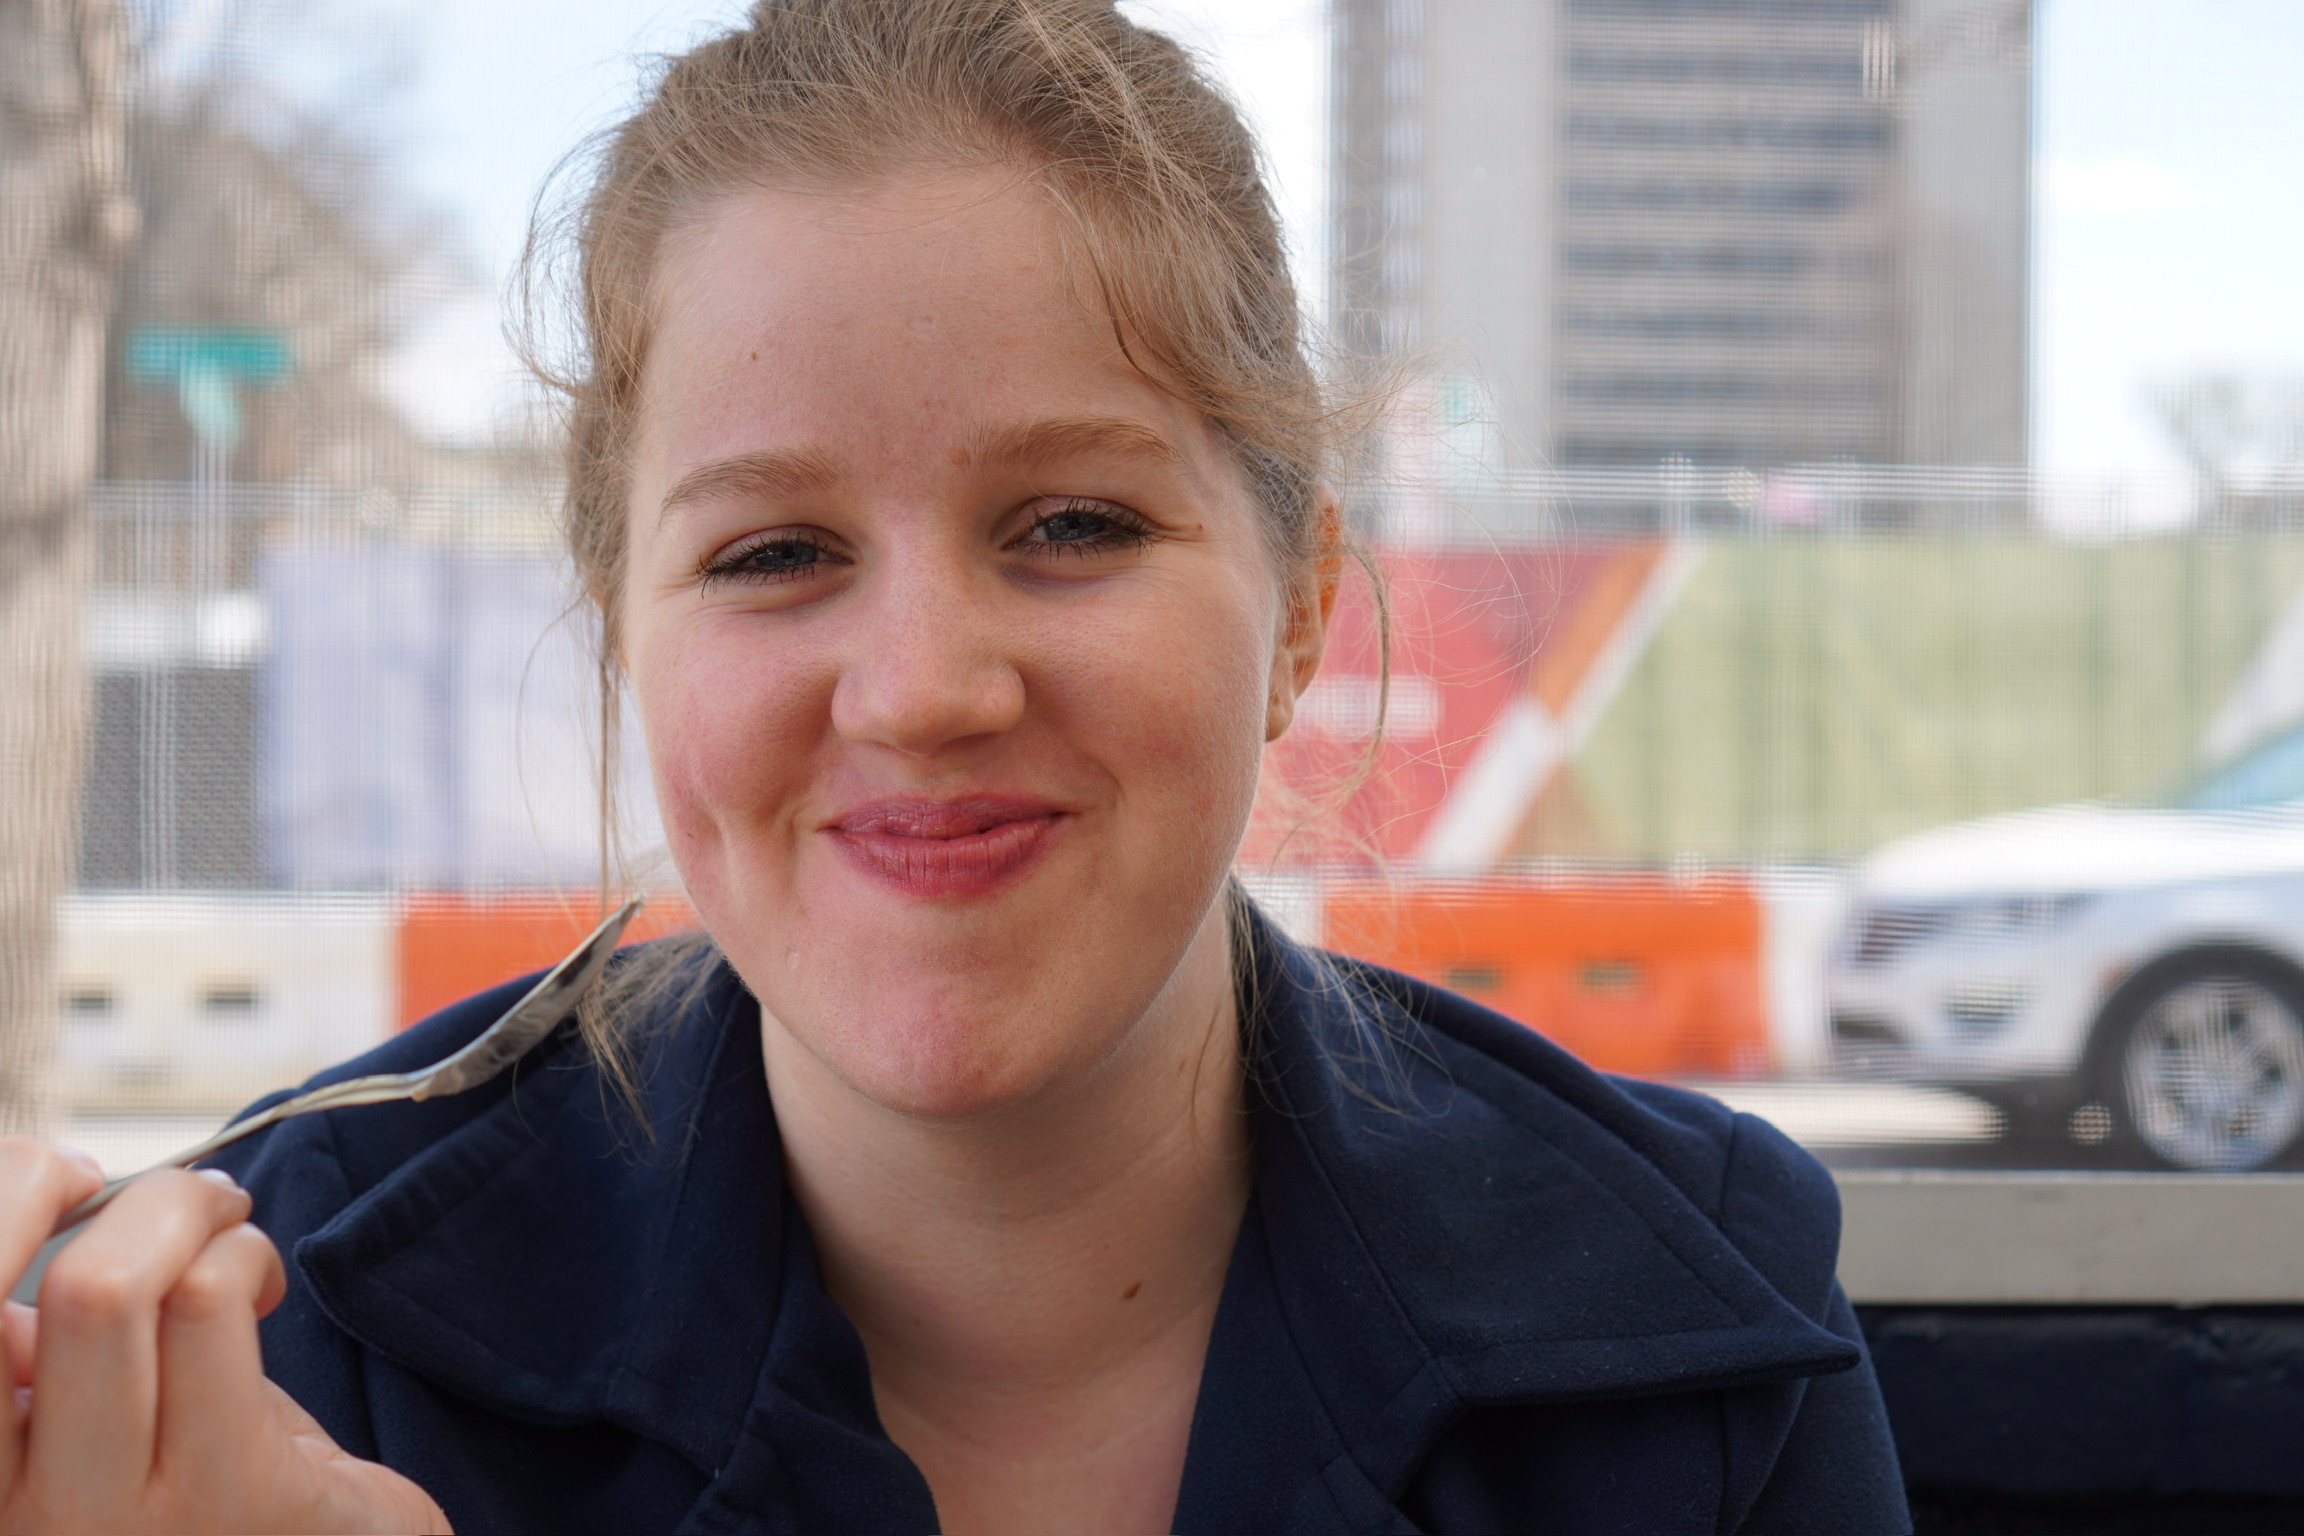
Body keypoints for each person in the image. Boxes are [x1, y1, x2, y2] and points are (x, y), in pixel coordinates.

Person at [0, 2, 1909, 1530]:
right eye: (774, 555)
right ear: (622, 632)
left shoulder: (1686, 1317)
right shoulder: (270, 1341)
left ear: (1305, 607)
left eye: (1072, 524)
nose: (920, 689)